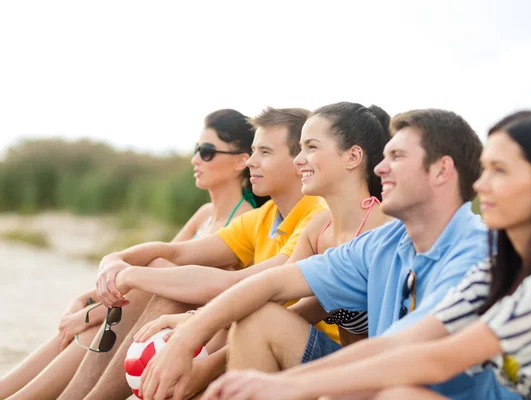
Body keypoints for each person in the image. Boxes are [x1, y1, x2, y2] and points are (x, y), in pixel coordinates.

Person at [204, 111, 531, 400]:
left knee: (396, 396)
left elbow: (439, 358)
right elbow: (396, 344)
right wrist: (279, 385)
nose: (480, 183)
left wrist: (292, 386)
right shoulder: (503, 264)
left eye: (500, 171)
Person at [136, 109, 518, 400]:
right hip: (379, 378)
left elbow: (410, 354)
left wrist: (287, 386)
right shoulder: (386, 243)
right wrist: (189, 337)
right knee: (259, 320)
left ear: (441, 171)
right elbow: (271, 283)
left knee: (400, 396)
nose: (380, 167)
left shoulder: (477, 252)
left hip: (419, 388)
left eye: (396, 157)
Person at [56, 107, 331, 400]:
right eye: (253, 151)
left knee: (174, 289)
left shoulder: (317, 216)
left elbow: (240, 285)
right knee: (162, 274)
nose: (251, 161)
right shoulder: (265, 215)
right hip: (249, 336)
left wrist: (132, 276)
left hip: (296, 349)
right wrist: (113, 260)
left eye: (264, 152)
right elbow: (175, 253)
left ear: (297, 161)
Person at [133, 101, 393, 391]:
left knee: (259, 318)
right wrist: (195, 328)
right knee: (256, 315)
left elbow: (269, 292)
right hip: (342, 369)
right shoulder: (319, 229)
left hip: (385, 378)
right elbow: (280, 300)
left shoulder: (384, 230)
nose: (299, 159)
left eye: (311, 147)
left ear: (353, 156)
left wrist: (192, 336)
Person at [0, 108, 259, 400]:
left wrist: (91, 313)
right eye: (197, 149)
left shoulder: (245, 222)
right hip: (146, 314)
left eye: (207, 151)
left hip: (191, 327)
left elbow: (167, 280)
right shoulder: (205, 214)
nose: (195, 159)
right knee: (86, 328)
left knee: (92, 326)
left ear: (241, 161)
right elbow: (153, 271)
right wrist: (86, 301)